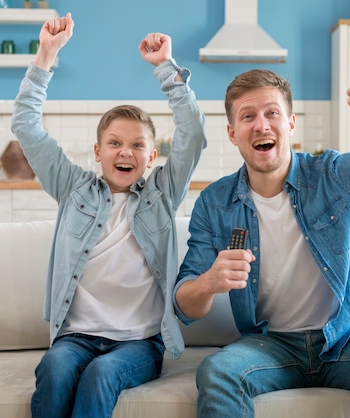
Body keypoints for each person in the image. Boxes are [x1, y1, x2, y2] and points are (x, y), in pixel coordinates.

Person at [174, 69, 350, 418]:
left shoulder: (336, 174)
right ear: (233, 134)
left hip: (349, 338)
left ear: (291, 124)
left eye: (272, 113)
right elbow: (185, 308)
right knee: (217, 371)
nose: (262, 125)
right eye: (248, 116)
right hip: (271, 344)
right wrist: (208, 283)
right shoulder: (214, 202)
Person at [11, 13, 207, 418]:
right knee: (55, 364)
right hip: (76, 337)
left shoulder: (162, 193)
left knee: (102, 374)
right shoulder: (72, 187)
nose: (125, 152)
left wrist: (166, 69)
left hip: (139, 343)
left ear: (152, 157)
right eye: (114, 143)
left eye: (137, 145)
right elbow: (26, 126)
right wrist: (47, 54)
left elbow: (193, 133)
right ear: (98, 152)